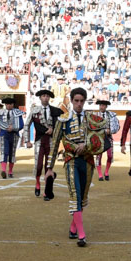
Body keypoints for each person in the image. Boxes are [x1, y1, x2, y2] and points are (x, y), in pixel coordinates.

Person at [49, 87, 108, 247]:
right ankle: (82, 235)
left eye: (82, 101)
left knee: (82, 198)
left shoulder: (92, 119)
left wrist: (86, 145)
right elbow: (55, 144)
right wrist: (49, 168)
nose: (79, 104)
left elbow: (100, 139)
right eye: (76, 101)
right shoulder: (63, 120)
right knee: (75, 196)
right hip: (71, 161)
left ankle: (73, 227)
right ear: (71, 101)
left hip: (88, 162)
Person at [25, 88, 63, 198]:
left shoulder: (55, 111)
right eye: (43, 96)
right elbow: (27, 125)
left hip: (51, 141)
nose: (45, 98)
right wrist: (27, 140)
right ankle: (37, 183)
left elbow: (62, 124)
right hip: (39, 141)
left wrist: (54, 130)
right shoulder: (35, 110)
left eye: (47, 96)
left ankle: (47, 190)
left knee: (48, 166)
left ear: (49, 98)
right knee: (38, 166)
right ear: (40, 98)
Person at [0, 97, 25, 179]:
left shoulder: (17, 112)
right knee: (4, 152)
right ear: (5, 104)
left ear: (13, 104)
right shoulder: (0, 113)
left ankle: (10, 171)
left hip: (14, 135)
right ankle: (4, 170)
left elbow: (21, 125)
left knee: (12, 153)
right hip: (4, 135)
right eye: (7, 104)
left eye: (11, 104)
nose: (9, 106)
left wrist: (13, 128)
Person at [95, 100, 119, 181]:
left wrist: (111, 130)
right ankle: (100, 175)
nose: (101, 107)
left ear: (106, 107)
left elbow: (116, 126)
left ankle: (106, 172)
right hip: (99, 138)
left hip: (108, 138)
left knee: (110, 156)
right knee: (99, 156)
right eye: (100, 105)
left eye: (103, 105)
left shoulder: (111, 115)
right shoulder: (95, 115)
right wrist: (105, 131)